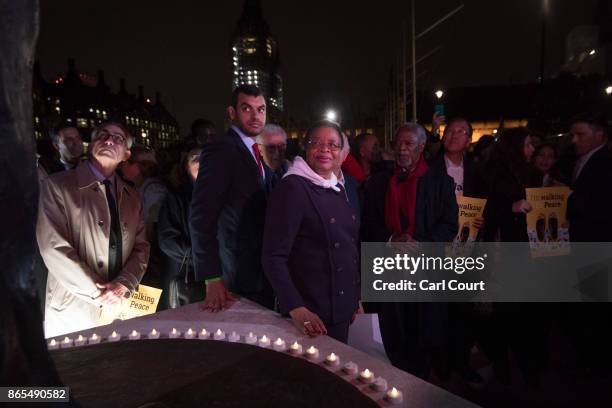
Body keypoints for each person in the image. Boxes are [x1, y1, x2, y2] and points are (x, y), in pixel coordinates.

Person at [361, 122, 458, 378]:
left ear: (422, 147)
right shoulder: (379, 181)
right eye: (398, 143)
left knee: (422, 333)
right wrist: (392, 239)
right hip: (389, 269)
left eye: (409, 144)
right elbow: (368, 224)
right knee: (392, 331)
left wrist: (419, 244)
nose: (402, 149)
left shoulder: (441, 182)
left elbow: (450, 225)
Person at [37, 121, 150, 337]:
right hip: (73, 306)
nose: (109, 140)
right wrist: (98, 293)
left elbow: (141, 247)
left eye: (118, 138)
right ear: (91, 144)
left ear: (126, 154)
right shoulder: (57, 186)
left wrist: (123, 285)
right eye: (103, 135)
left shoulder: (132, 196)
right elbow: (53, 247)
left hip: (119, 306)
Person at [262, 120, 360, 343]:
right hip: (312, 313)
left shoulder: (336, 186)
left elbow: (349, 246)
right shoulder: (293, 188)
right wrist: (296, 307)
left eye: (333, 145)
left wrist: (355, 298)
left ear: (341, 151)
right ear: (305, 148)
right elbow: (273, 256)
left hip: (342, 308)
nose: (325, 149)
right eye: (316, 143)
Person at [190, 84, 274, 311]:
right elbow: (201, 216)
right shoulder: (221, 151)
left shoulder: (255, 152)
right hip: (236, 275)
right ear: (231, 112)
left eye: (261, 109)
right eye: (247, 108)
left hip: (258, 272)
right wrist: (212, 277)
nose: (256, 115)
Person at [481, 127, 547, 386]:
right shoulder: (492, 173)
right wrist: (511, 207)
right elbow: (485, 211)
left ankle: (528, 367)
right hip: (503, 252)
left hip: (528, 251)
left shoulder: (532, 173)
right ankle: (502, 364)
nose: (533, 150)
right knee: (505, 312)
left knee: (525, 313)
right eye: (529, 144)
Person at [428, 117, 486, 383]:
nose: (454, 135)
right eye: (450, 131)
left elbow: (488, 203)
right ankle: (440, 363)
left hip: (466, 249)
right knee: (439, 310)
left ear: (469, 140)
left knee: (463, 310)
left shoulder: (477, 170)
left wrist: (482, 219)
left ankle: (461, 361)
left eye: (461, 131)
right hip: (439, 249)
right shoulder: (430, 169)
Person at [158, 145, 204, 309]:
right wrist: (203, 257)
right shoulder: (175, 198)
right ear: (186, 166)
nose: (202, 161)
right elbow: (167, 241)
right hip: (186, 277)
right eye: (195, 158)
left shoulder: (222, 197)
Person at [119, 144, 168, 287]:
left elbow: (154, 229)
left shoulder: (154, 190)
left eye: (125, 163)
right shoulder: (138, 188)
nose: (122, 167)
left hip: (152, 259)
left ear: (138, 166)